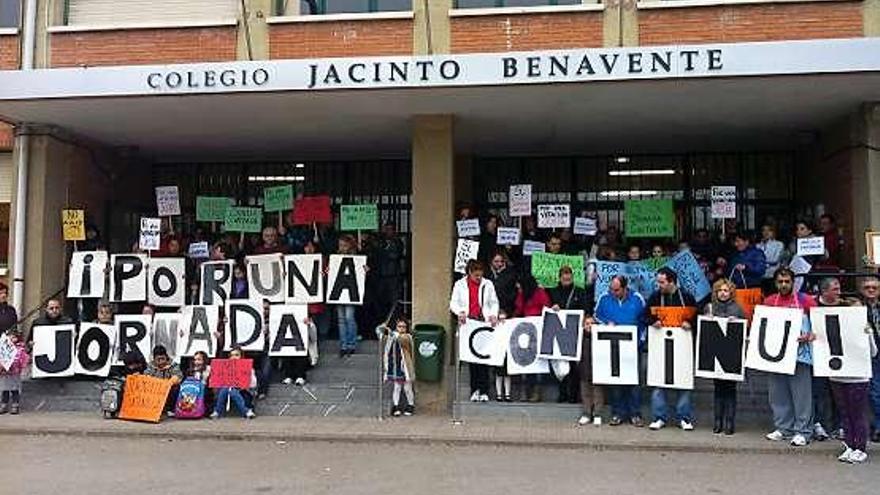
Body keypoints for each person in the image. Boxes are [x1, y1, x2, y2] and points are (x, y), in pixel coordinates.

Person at [763, 267, 816, 446]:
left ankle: (803, 430)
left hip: (800, 354)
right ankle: (783, 428)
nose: (784, 285)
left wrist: (810, 335)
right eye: (780, 282)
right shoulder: (769, 301)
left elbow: (818, 326)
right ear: (775, 283)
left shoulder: (805, 300)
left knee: (802, 394)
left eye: (787, 281)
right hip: (776, 355)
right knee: (778, 393)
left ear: (793, 282)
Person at [645, 268, 698, 431]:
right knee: (658, 380)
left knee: (683, 381)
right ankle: (659, 417)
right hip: (660, 345)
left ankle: (684, 418)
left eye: (662, 282)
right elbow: (645, 315)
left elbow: (696, 317)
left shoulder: (687, 297)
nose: (658, 285)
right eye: (658, 281)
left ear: (672, 282)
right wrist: (653, 321)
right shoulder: (654, 297)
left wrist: (691, 324)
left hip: (682, 346)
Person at [591, 275, 647, 427]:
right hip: (613, 347)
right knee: (616, 382)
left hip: (633, 347)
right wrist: (605, 323)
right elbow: (596, 316)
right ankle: (617, 413)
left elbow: (645, 321)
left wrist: (641, 341)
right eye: (611, 289)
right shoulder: (604, 298)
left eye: (616, 290)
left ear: (624, 288)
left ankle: (635, 414)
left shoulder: (637, 298)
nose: (613, 292)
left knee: (634, 382)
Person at [548, 266, 597, 425]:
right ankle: (562, 394)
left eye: (569, 277)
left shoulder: (580, 291)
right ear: (560, 277)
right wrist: (553, 308)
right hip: (559, 331)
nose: (566, 279)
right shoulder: (553, 291)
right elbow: (547, 308)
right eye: (564, 276)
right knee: (560, 364)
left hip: (576, 332)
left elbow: (586, 309)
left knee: (576, 366)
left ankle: (574, 395)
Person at [449, 259, 499, 402]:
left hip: (483, 322)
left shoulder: (487, 284)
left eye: (480, 275)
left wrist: (493, 315)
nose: (478, 278)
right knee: (472, 359)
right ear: (469, 273)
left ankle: (484, 391)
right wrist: (460, 312)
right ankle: (474, 390)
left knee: (483, 358)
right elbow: (453, 303)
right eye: (476, 275)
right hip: (468, 323)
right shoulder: (460, 285)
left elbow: (493, 302)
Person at [703, 278, 746, 435]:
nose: (723, 293)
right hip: (716, 354)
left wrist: (738, 323)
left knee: (730, 390)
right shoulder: (709, 307)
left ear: (731, 292)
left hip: (731, 355)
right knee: (718, 389)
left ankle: (729, 422)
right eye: (720, 290)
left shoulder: (738, 309)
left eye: (726, 290)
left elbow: (744, 331)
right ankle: (717, 421)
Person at [831, 318, 878, 463]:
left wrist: (868, 335)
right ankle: (850, 445)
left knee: (857, 414)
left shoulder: (865, 330)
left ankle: (860, 448)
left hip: (858, 378)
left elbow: (873, 352)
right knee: (845, 414)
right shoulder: (834, 329)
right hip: (837, 377)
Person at [813, 277, 853, 441]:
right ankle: (819, 425)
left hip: (840, 354)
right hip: (820, 354)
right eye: (835, 289)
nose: (839, 292)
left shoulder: (846, 306)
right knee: (819, 392)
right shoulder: (813, 306)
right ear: (824, 291)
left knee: (839, 392)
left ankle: (839, 426)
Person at [515, 274, 551, 402]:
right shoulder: (523, 293)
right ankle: (526, 390)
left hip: (538, 329)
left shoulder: (540, 292)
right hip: (525, 330)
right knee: (525, 359)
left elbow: (546, 307)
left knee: (537, 361)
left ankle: (536, 391)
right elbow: (519, 308)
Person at [486, 251, 517, 402]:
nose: (498, 264)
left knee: (506, 361)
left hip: (506, 316)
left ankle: (508, 393)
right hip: (491, 318)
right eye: (495, 261)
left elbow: (513, 295)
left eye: (500, 261)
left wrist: (504, 310)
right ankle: (499, 393)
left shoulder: (510, 276)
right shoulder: (487, 277)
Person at [378, 318, 416, 416]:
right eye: (399, 326)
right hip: (395, 367)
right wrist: (382, 328)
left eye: (404, 327)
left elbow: (401, 339)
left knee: (407, 388)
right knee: (397, 387)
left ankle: (410, 405)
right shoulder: (392, 337)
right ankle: (396, 406)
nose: (401, 329)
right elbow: (380, 334)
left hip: (405, 367)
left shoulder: (408, 337)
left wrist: (390, 333)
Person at [335, 235, 366, 357]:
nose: (342, 247)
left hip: (349, 293)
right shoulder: (335, 258)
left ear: (350, 246)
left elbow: (361, 272)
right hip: (338, 293)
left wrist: (365, 269)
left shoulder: (356, 258)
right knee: (341, 320)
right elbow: (328, 272)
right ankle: (343, 345)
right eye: (340, 245)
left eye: (344, 245)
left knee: (349, 318)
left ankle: (351, 344)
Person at [210, 345, 257, 419]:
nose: (234, 357)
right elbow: (216, 382)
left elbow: (253, 384)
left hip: (243, 391)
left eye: (236, 355)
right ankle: (246, 412)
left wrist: (243, 382)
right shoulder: (224, 367)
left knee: (231, 390)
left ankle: (217, 411)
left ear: (241, 357)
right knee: (227, 388)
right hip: (225, 390)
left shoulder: (247, 368)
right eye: (231, 355)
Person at [860, 277, 880, 443]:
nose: (871, 290)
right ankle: (878, 427)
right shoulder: (857, 308)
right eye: (867, 287)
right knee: (875, 391)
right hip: (871, 354)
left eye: (874, 287)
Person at [145, 345, 184, 417]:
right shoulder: (150, 366)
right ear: (154, 359)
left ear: (166, 357)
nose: (161, 362)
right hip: (155, 390)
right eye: (158, 359)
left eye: (162, 359)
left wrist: (168, 382)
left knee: (176, 387)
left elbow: (177, 376)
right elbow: (146, 377)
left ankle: (171, 409)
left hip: (168, 389)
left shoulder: (173, 365)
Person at [0, 328, 29, 415]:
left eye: (14, 337)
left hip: (15, 373)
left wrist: (20, 365)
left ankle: (15, 405)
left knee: (14, 390)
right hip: (5, 373)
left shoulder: (20, 348)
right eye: (10, 337)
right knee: (4, 390)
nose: (12, 339)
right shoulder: (3, 348)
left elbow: (23, 359)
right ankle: (4, 405)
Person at [757, 224, 785, 294]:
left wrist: (762, 262)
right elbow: (756, 260)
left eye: (769, 230)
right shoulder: (758, 245)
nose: (766, 232)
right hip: (761, 276)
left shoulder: (779, 244)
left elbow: (774, 259)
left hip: (773, 275)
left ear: (773, 232)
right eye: (764, 230)